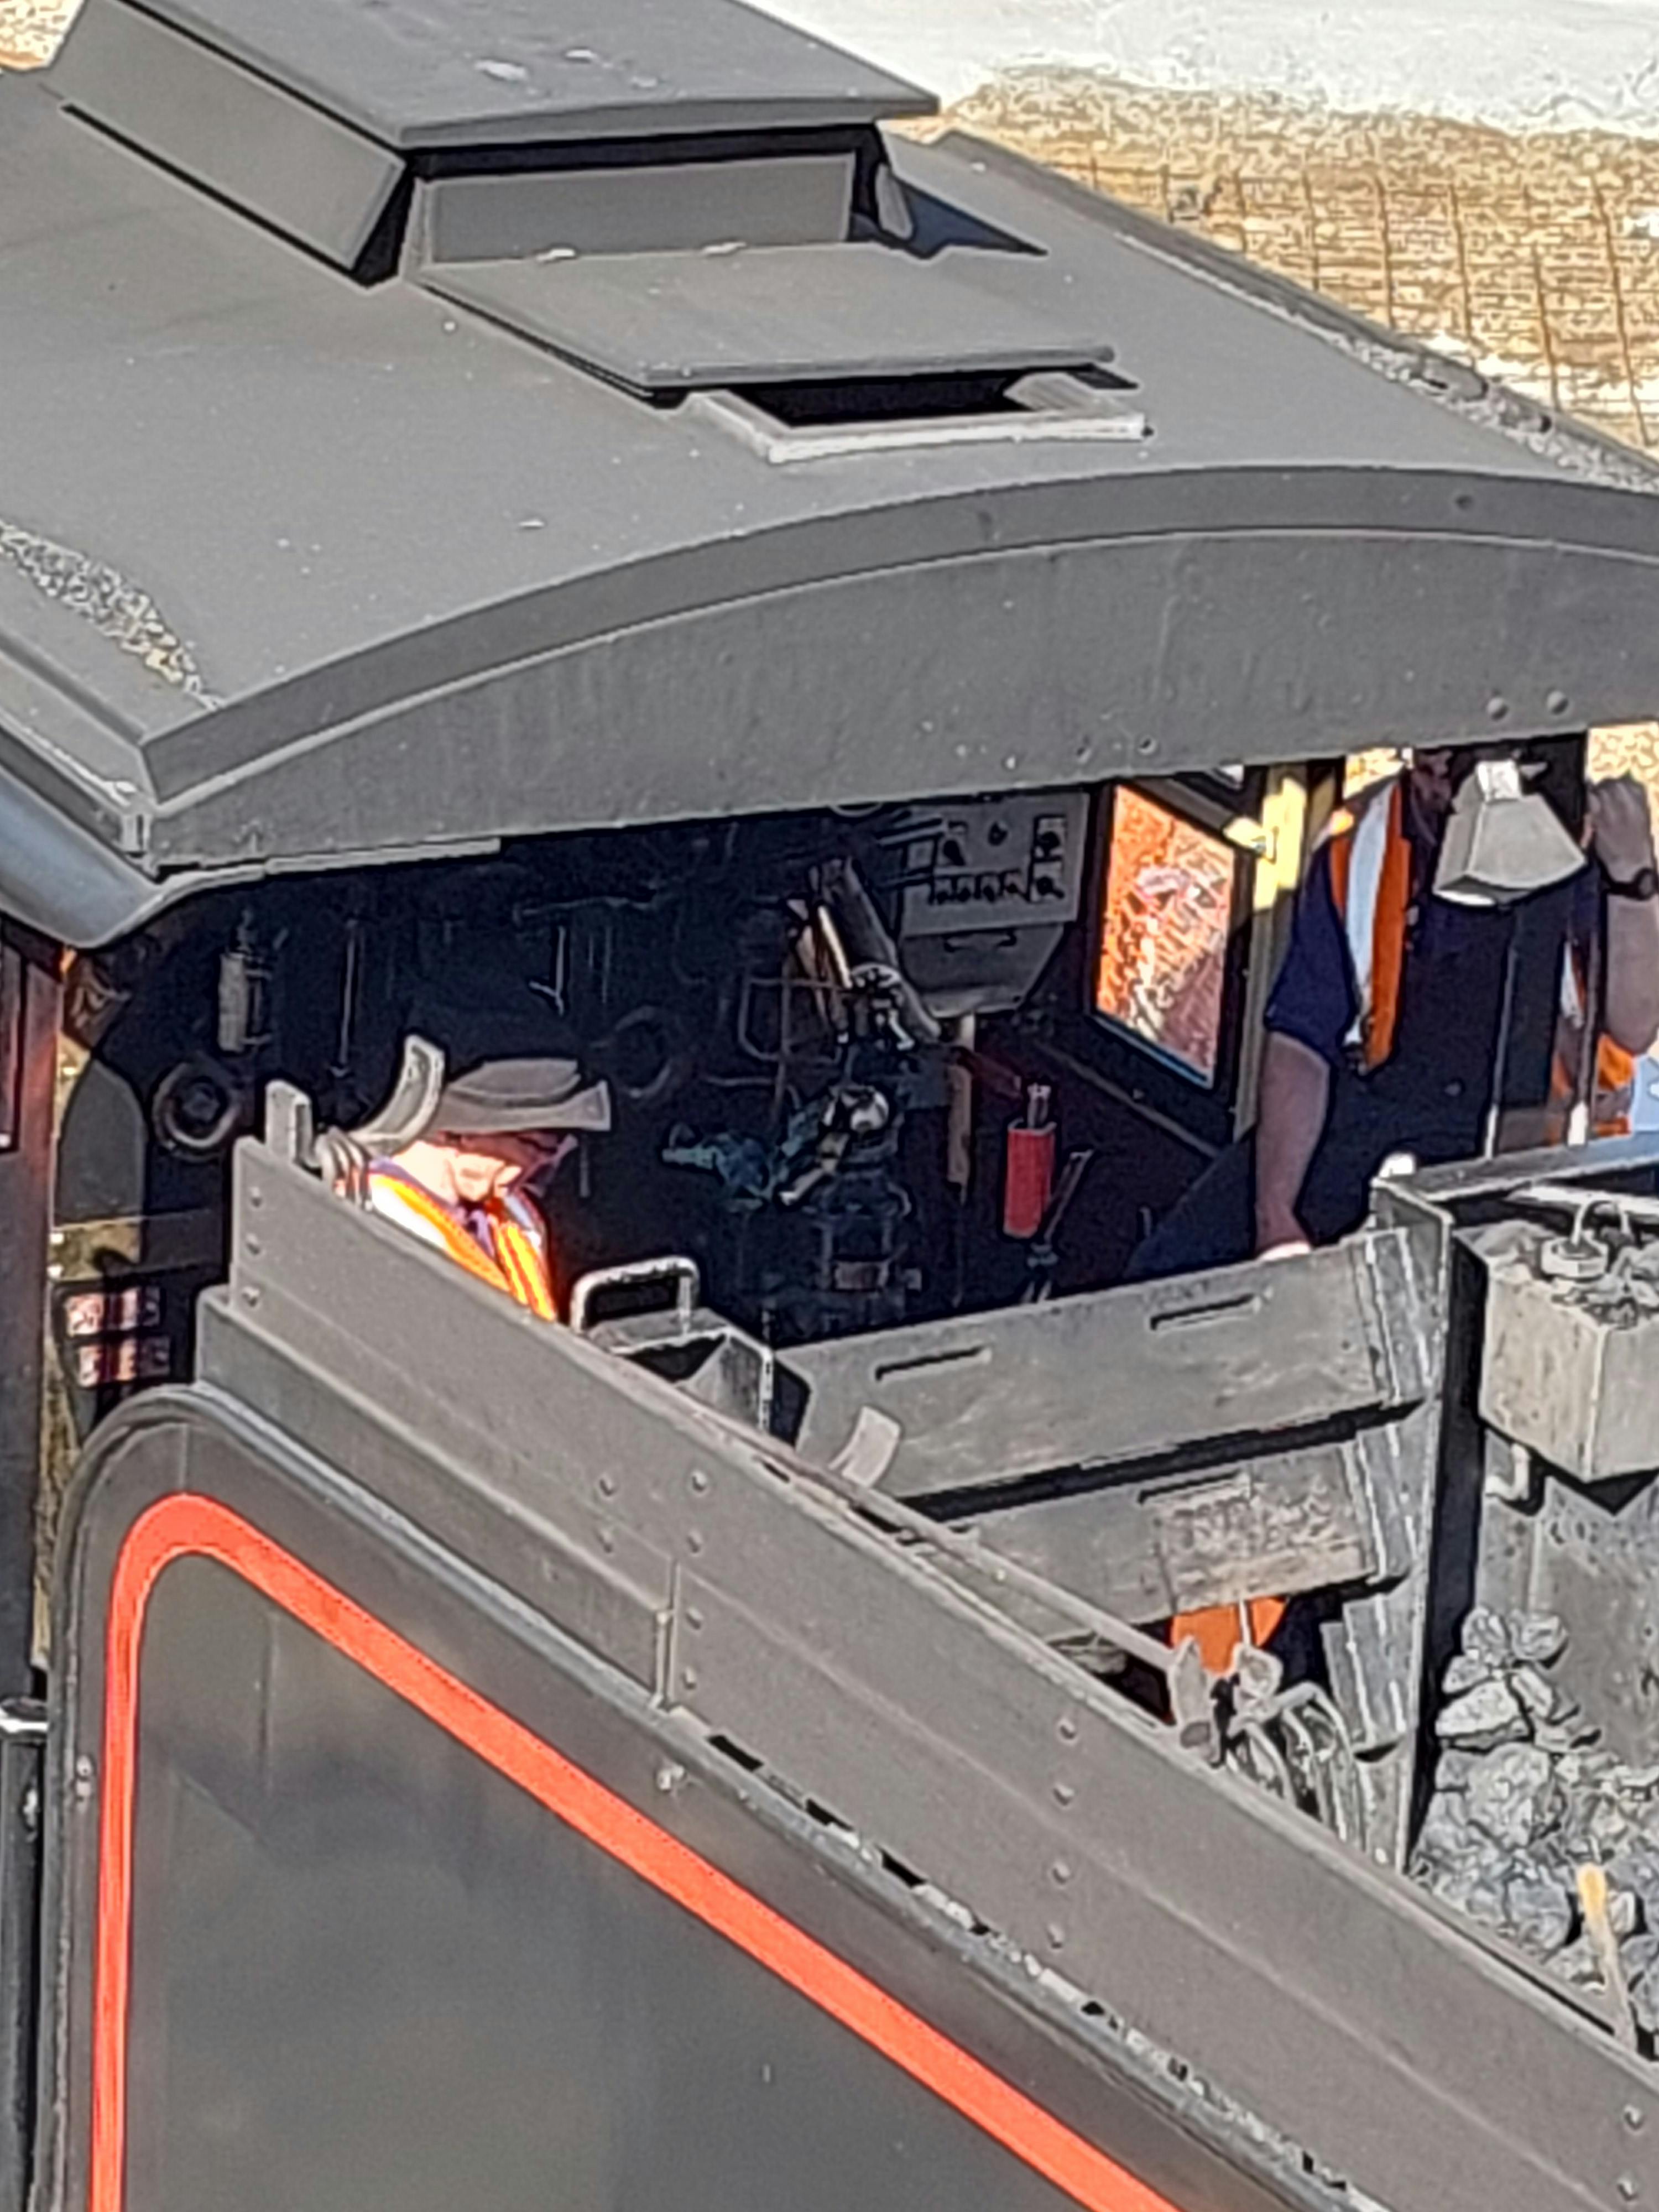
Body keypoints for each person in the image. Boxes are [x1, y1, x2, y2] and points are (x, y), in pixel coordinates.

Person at [1130, 752, 1659, 1280]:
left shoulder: (1590, 841)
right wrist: (1277, 1221)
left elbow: (1636, 1027)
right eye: (1430, 760)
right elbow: (1301, 1040)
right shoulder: (1360, 839)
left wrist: (1632, 876)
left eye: (1461, 762)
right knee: (1171, 1271)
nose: (1442, 779)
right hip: (1377, 1104)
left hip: (1544, 1128)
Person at [359, 992, 612, 1319]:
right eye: (536, 1146)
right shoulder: (367, 1222)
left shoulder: (518, 1216)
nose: (544, 1163)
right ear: (458, 1132)